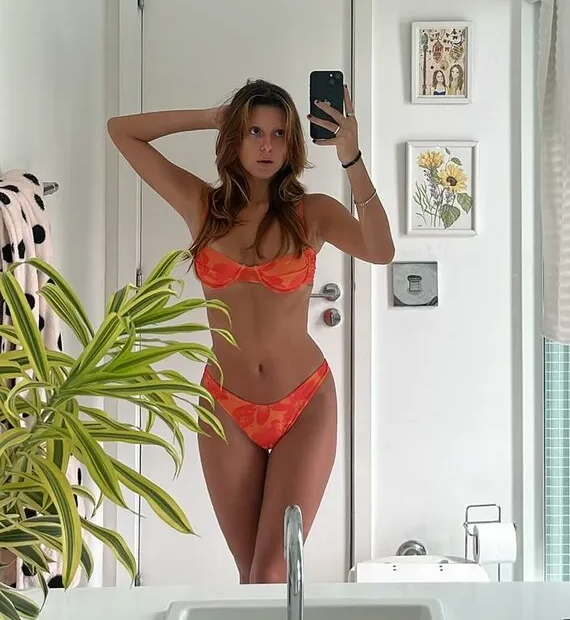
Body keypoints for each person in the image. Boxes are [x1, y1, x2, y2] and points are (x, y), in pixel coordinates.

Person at [107, 78, 394, 584]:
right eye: (254, 131)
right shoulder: (203, 208)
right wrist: (211, 117)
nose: (266, 145)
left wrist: (352, 159)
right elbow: (122, 131)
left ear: (292, 143)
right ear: (235, 138)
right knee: (251, 578)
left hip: (304, 403)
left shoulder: (312, 213)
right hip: (225, 407)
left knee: (272, 571)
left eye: (279, 134)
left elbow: (380, 249)